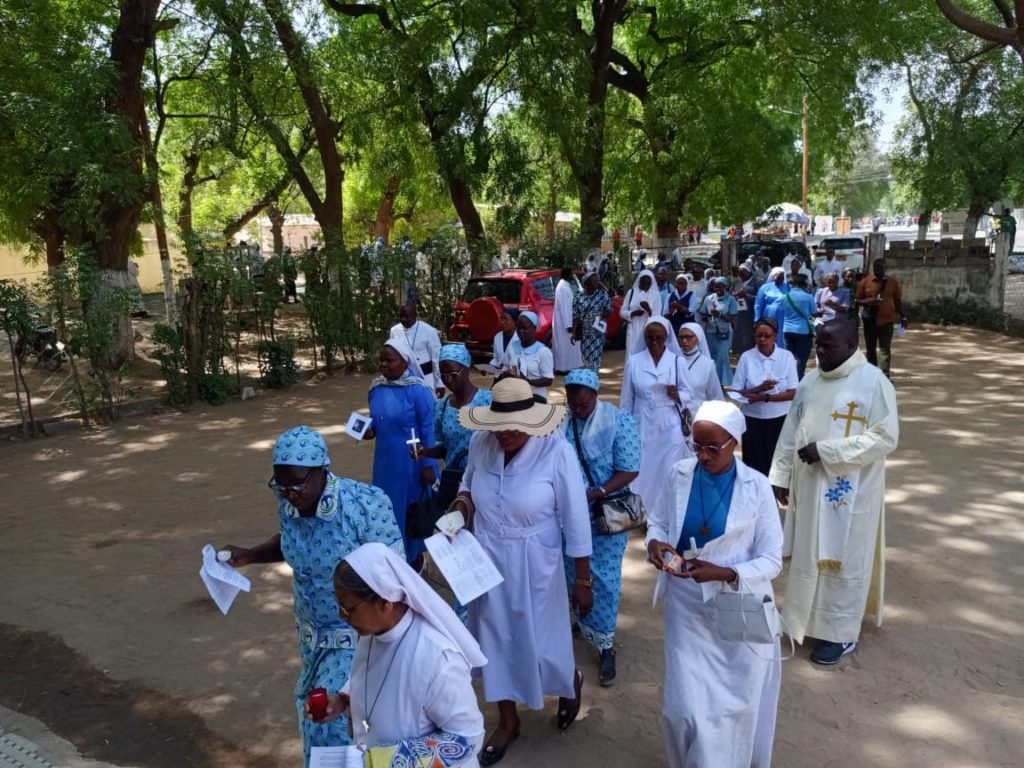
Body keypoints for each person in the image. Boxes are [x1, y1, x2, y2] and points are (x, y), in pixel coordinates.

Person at [221, 426, 404, 766]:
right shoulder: (291, 506)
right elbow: (291, 542)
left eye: (297, 483)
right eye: (280, 485)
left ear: (323, 470)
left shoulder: (365, 505)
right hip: (311, 635)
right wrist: (247, 555)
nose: (289, 493)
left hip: (355, 634)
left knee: (328, 719)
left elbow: (395, 573)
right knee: (313, 711)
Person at [455, 378, 593, 765]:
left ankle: (568, 684)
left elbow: (576, 519)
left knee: (544, 642)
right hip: (487, 556)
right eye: (498, 428)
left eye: (514, 428)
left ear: (532, 421)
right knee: (494, 640)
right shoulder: (481, 444)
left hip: (537, 560)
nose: (505, 436)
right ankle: (508, 719)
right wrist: (459, 510)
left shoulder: (556, 451)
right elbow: (467, 487)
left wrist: (583, 579)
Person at [645, 400, 784, 768]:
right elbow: (657, 523)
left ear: (734, 442)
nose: (702, 456)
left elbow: (772, 560)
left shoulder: (757, 488)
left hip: (737, 608)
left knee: (737, 705)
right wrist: (655, 544)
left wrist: (724, 573)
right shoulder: (678, 474)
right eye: (696, 445)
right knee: (684, 710)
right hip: (686, 606)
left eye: (712, 447)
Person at [769, 319, 899, 665]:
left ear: (851, 347)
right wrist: (780, 476)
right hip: (810, 486)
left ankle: (840, 634)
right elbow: (791, 428)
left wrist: (826, 452)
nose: (819, 352)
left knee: (843, 558)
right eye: (817, 345)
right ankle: (805, 619)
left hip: (850, 495)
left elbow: (886, 437)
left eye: (828, 347)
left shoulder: (874, 383)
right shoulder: (810, 381)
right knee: (809, 552)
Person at [309, 543, 485, 765]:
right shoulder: (371, 633)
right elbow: (371, 677)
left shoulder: (438, 659)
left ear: (385, 602)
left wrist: (392, 759)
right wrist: (343, 700)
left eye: (348, 609)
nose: (342, 617)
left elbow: (468, 737)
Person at [562, 368, 641, 687]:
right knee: (571, 570)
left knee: (604, 580)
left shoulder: (618, 422)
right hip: (570, 512)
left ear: (595, 395)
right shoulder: (563, 422)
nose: (578, 409)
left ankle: (606, 646)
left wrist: (596, 492)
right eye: (573, 403)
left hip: (606, 514)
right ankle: (578, 621)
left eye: (583, 404)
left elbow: (630, 469)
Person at [366, 339, 439, 564]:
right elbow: (377, 422)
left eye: (390, 360)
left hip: (411, 464)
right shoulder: (376, 389)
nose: (384, 365)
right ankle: (391, 555)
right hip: (385, 463)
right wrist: (368, 430)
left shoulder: (418, 391)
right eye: (381, 360)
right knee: (385, 508)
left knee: (408, 511)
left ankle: (413, 558)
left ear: (405, 361)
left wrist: (429, 465)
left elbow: (429, 429)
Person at [621, 317, 693, 512]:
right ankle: (643, 510)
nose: (654, 342)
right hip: (641, 421)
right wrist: (624, 427)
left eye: (659, 338)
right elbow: (627, 400)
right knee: (643, 468)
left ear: (666, 338)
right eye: (650, 338)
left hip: (669, 423)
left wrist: (677, 395)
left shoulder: (677, 361)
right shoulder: (634, 362)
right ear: (643, 337)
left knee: (668, 467)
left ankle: (663, 512)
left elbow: (689, 393)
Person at [417, 344, 493, 496]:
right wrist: (426, 452)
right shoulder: (442, 407)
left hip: (486, 482)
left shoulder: (488, 401)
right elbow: (445, 449)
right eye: (443, 375)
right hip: (455, 484)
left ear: (466, 369)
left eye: (453, 373)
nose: (448, 380)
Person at [731, 319, 798, 476]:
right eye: (758, 335)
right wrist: (758, 389)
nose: (762, 340)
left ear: (775, 336)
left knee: (777, 464)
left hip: (779, 419)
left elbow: (793, 392)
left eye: (767, 336)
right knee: (754, 465)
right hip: (752, 420)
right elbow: (736, 391)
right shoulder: (747, 357)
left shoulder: (786, 357)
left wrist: (763, 397)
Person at [856, 258, 907, 378]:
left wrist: (903, 316)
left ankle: (884, 376)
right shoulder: (865, 282)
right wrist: (869, 301)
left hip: (887, 320)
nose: (878, 269)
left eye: (881, 267)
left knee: (884, 349)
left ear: (885, 268)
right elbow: (857, 300)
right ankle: (872, 375)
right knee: (870, 348)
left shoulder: (892, 282)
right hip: (870, 321)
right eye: (876, 267)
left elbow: (897, 300)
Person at [390, 301, 443, 397]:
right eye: (401, 316)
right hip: (403, 379)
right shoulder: (394, 331)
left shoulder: (429, 331)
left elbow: (437, 358)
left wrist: (440, 383)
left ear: (415, 315)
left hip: (426, 378)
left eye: (406, 316)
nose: (403, 319)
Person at [505, 311, 555, 402]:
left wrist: (528, 382)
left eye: (525, 328)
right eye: (518, 328)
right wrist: (510, 374)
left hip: (536, 397)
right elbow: (512, 367)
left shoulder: (542, 351)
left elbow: (548, 380)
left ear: (534, 328)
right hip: (515, 395)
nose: (520, 331)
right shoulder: (512, 347)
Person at [677, 323, 725, 413]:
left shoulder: (707, 364)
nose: (684, 341)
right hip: (675, 417)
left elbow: (716, 396)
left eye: (688, 337)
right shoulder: (673, 359)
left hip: (698, 418)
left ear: (698, 339)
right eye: (681, 337)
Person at [699, 277, 737, 387]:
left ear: (725, 287)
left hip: (724, 332)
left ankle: (722, 383)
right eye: (716, 286)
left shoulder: (730, 299)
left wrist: (719, 315)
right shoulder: (708, 298)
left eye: (720, 286)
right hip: (710, 332)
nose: (718, 288)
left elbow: (733, 318)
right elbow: (703, 315)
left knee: (722, 356)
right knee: (712, 357)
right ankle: (712, 383)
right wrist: (708, 316)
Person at [572, 270, 613, 372]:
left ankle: (593, 380)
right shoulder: (578, 296)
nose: (598, 283)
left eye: (598, 280)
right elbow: (575, 315)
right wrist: (573, 332)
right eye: (595, 281)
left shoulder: (603, 295)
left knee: (595, 358)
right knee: (585, 358)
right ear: (587, 283)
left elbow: (609, 311)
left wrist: (600, 316)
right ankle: (588, 379)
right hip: (585, 332)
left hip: (598, 331)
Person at [781, 275, 817, 379]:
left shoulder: (785, 296)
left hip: (787, 330)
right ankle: (797, 381)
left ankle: (788, 380)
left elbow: (782, 310)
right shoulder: (808, 297)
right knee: (800, 359)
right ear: (804, 285)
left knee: (789, 357)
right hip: (803, 331)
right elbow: (813, 313)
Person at [618, 269, 660, 354]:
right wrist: (632, 313)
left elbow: (658, 316)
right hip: (633, 329)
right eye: (643, 283)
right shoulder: (631, 293)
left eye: (647, 284)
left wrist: (648, 309)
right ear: (638, 281)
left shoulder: (656, 295)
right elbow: (622, 312)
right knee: (632, 354)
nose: (645, 286)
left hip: (648, 329)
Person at [552, 267, 583, 374]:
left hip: (565, 322)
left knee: (566, 347)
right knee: (565, 346)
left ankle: (567, 367)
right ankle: (564, 368)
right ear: (567, 275)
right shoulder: (563, 288)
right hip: (565, 324)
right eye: (571, 274)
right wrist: (569, 326)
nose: (572, 276)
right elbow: (565, 308)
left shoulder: (564, 286)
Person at [754, 267, 790, 351]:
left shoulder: (788, 287)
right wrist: (757, 320)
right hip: (768, 315)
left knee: (781, 335)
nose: (778, 277)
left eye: (781, 276)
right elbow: (758, 305)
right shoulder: (765, 287)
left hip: (783, 317)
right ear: (773, 276)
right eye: (776, 275)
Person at [731, 264, 758, 354]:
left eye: (743, 272)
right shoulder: (736, 282)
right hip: (738, 313)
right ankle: (739, 353)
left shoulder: (756, 282)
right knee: (738, 333)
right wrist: (734, 295)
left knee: (748, 335)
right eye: (739, 272)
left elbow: (758, 298)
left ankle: (750, 353)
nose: (741, 274)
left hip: (750, 313)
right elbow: (731, 293)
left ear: (749, 272)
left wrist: (746, 296)